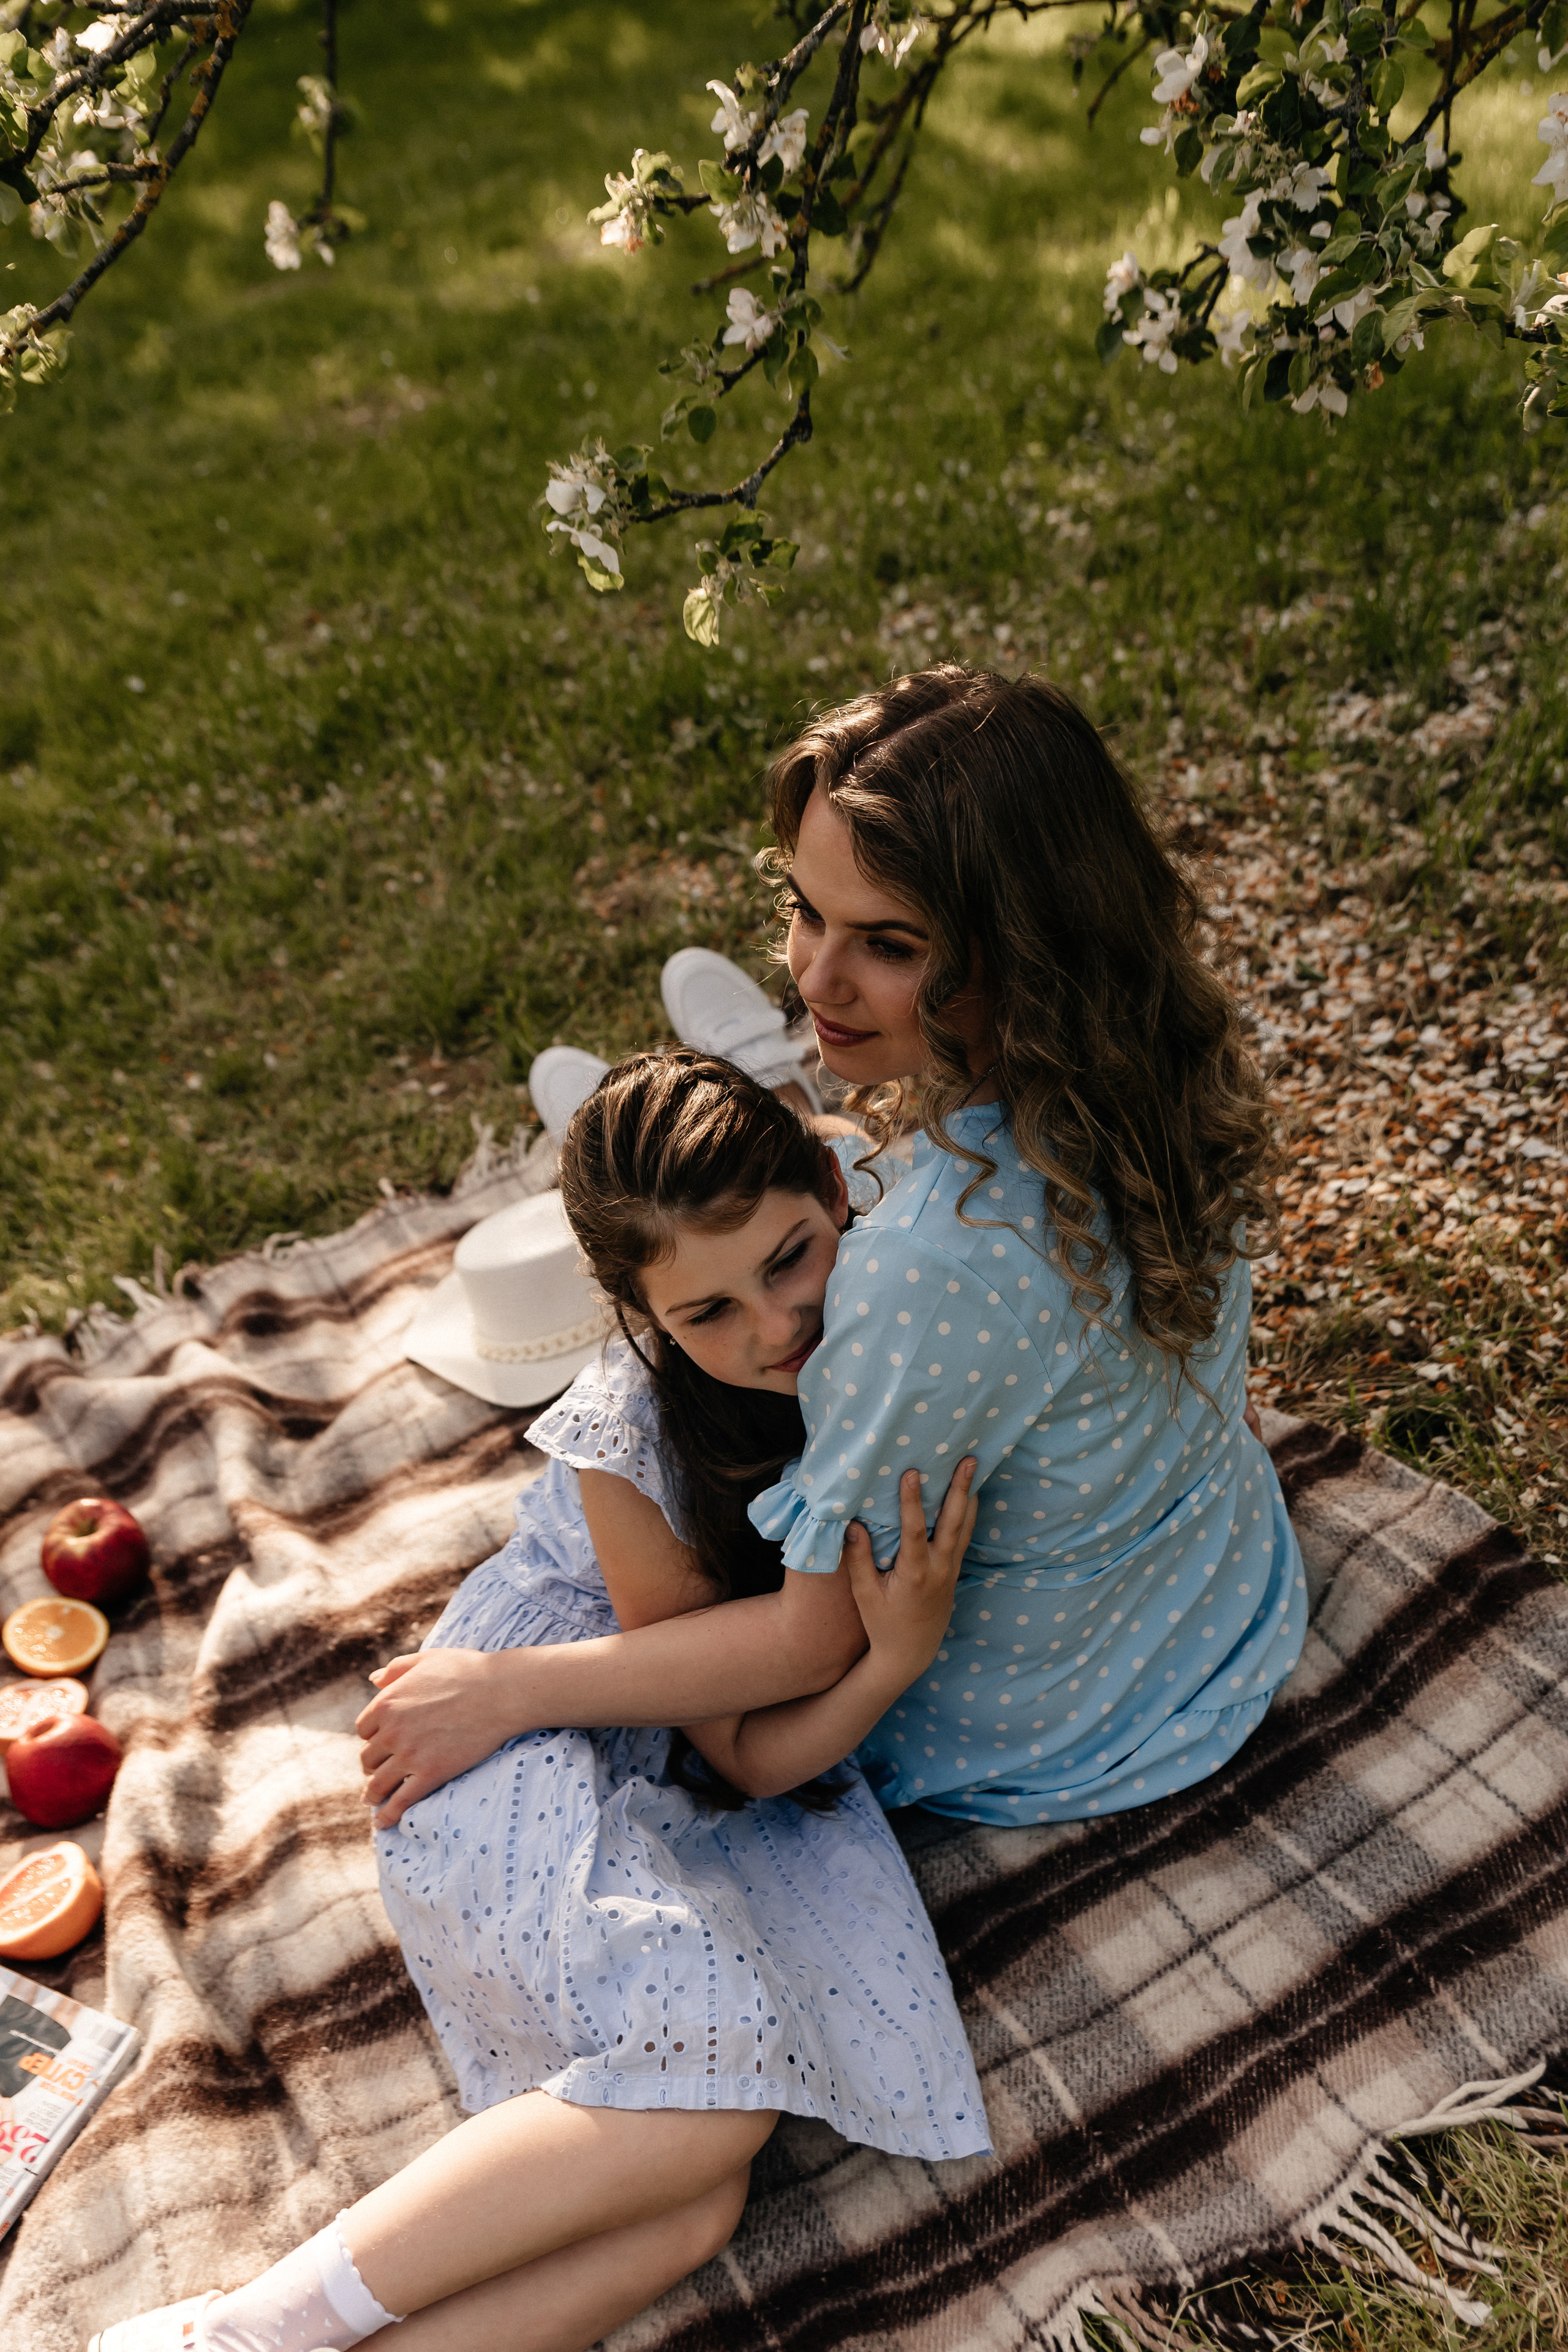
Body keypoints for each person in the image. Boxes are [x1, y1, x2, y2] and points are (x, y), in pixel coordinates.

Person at [89, 1052, 987, 2352]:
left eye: (790, 1258)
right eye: (704, 1314)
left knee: (690, 2213)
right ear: (638, 1317)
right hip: (517, 1744)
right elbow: (775, 1668)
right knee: (707, 2104)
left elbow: (750, 1756)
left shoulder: (885, 1267)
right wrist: (506, 1692)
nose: (773, 1327)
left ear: (833, 1189)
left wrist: (894, 1662)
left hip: (650, 1763)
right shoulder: (630, 1432)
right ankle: (239, 2335)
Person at [360, 665, 1305, 1831]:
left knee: (622, 1402)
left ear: (1025, 951)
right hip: (1214, 1587)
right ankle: (738, 1109)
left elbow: (811, 1641)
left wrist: (505, 1689)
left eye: (889, 946)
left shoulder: (922, 1270)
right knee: (780, 1198)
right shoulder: (1154, 1056)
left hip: (1066, 1713)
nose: (816, 972)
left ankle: (658, 1132)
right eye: (808, 912)